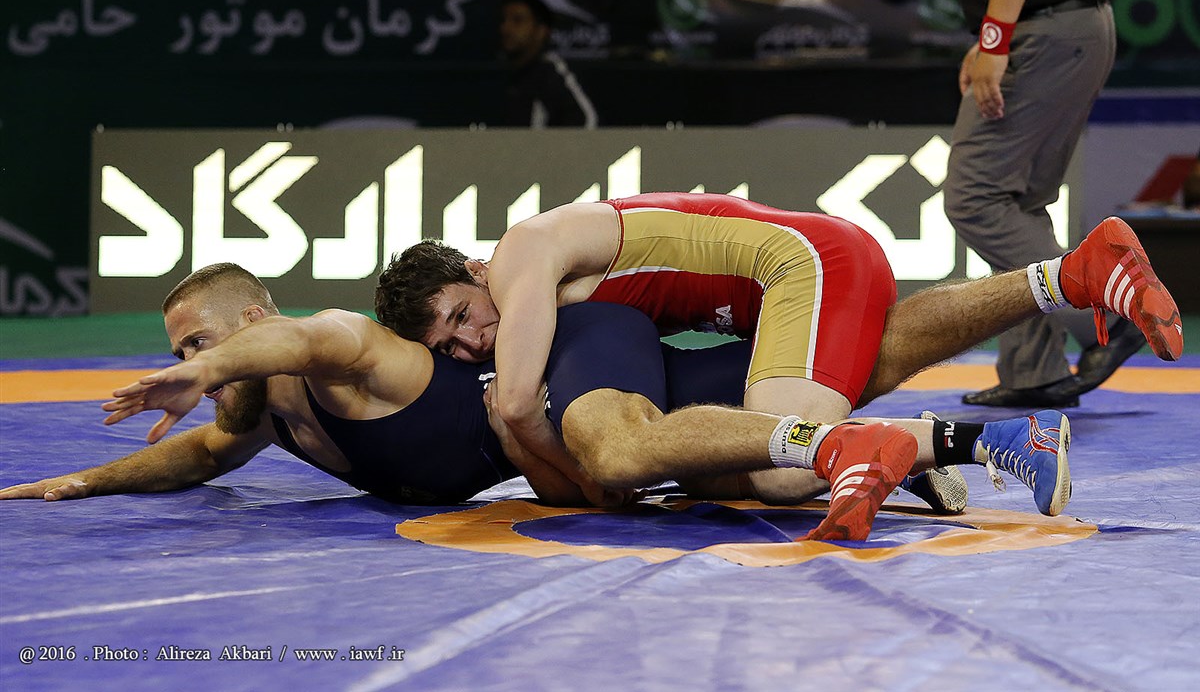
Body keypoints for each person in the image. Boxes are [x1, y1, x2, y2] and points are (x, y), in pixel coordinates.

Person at [0, 263, 1071, 541]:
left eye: (199, 344)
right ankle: (985, 429)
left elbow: (303, 335)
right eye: (180, 354)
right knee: (819, 401)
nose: (191, 364)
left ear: (250, 321)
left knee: (630, 462)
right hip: (574, 402)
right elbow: (200, 458)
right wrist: (85, 480)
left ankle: (901, 434)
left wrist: (202, 370)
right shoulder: (259, 414)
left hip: (578, 362)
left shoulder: (333, 345)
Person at [375, 192, 1181, 511]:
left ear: (473, 270)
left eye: (460, 315)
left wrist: (525, 428)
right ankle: (1070, 276)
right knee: (861, 367)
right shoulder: (533, 290)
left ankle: (932, 445)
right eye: (449, 345)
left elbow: (518, 400)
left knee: (781, 470)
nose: (472, 340)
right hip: (798, 272)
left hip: (799, 265)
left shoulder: (518, 257)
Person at [943, 0, 1140, 408]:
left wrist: (996, 39)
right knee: (1018, 204)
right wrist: (992, 35)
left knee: (977, 199)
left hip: (1044, 34)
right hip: (1064, 27)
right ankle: (1035, 372)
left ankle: (1108, 322)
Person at [496, 0, 598, 129]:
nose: (506, 28)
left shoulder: (549, 70)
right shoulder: (503, 74)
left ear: (541, 31)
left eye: (517, 20)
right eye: (503, 20)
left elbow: (586, 121)